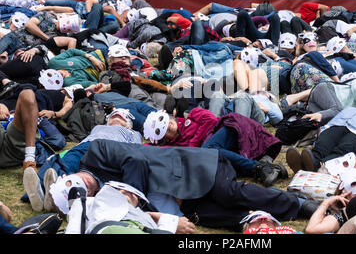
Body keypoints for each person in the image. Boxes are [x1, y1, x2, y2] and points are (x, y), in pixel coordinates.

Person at [49, 139, 319, 231]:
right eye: (86, 189)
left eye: (79, 180)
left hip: (192, 167)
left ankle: (300, 204)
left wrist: (132, 201)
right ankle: (259, 219)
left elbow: (136, 162)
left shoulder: (95, 153)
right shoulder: (99, 198)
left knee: (228, 193)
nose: (86, 183)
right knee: (205, 218)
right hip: (180, 198)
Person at [22, 107, 144, 212]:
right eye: (114, 114)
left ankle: (49, 193)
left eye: (122, 116)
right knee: (65, 162)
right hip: (88, 145)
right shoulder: (98, 127)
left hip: (112, 149)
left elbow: (134, 152)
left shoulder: (134, 133)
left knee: (89, 176)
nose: (118, 114)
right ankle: (41, 193)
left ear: (128, 123)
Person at [143, 108, 287, 186]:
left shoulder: (193, 115)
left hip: (227, 129)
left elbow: (211, 120)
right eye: (164, 131)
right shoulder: (174, 146)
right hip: (220, 150)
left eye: (165, 122)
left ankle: (260, 167)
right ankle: (270, 169)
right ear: (163, 138)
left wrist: (193, 144)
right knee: (217, 163)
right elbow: (146, 148)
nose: (168, 126)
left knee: (208, 149)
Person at [64, 181, 195, 234]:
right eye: (120, 189)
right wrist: (168, 221)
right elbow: (74, 226)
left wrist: (159, 218)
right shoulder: (90, 202)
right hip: (113, 229)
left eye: (135, 196)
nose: (129, 193)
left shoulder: (142, 215)